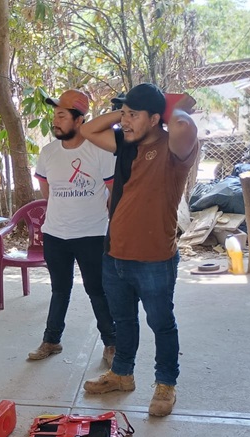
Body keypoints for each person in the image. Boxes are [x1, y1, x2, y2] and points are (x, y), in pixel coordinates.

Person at [79, 83, 198, 417]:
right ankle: (122, 374)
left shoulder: (174, 149)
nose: (124, 121)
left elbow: (184, 126)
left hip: (154, 259)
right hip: (115, 253)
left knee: (161, 323)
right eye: (124, 114)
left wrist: (174, 104)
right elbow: (88, 129)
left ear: (156, 118)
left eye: (133, 115)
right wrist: (127, 112)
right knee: (123, 321)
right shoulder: (126, 143)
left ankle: (165, 383)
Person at [28, 89, 116, 364]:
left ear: (79, 120)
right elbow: (47, 191)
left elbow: (114, 192)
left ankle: (111, 344)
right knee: (59, 289)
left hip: (92, 235)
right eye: (55, 115)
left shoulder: (100, 151)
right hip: (55, 235)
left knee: (97, 290)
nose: (55, 121)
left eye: (62, 116)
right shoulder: (48, 153)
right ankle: (51, 340)